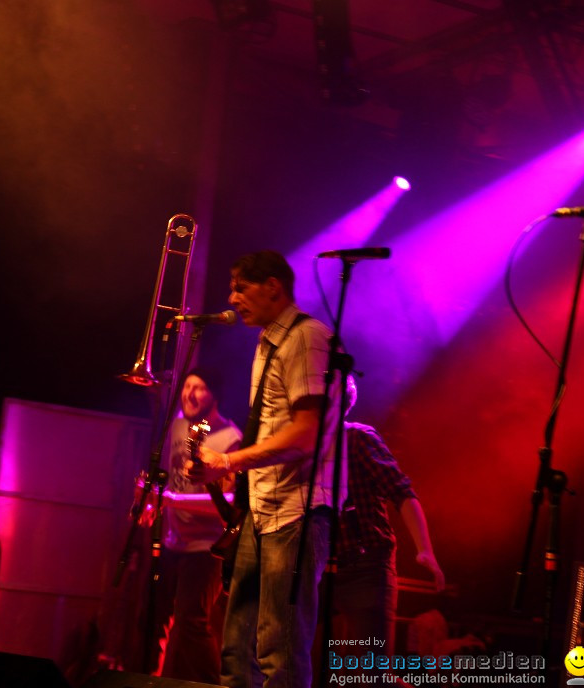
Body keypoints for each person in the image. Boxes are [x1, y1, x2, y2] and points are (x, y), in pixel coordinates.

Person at [188, 249, 344, 688]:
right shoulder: (268, 342)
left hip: (295, 511)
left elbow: (306, 434)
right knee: (237, 649)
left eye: (241, 286)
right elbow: (275, 427)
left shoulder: (307, 338)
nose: (232, 297)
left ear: (273, 286)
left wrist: (229, 460)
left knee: (281, 651)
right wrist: (239, 471)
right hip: (263, 509)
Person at [333, 374, 445, 656]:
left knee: (372, 674)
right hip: (320, 568)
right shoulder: (302, 447)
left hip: (365, 567)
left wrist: (424, 550)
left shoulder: (358, 438)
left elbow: (402, 492)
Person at [149, 369, 242, 683]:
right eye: (187, 386)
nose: (189, 393)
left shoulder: (230, 438)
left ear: (214, 394)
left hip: (206, 549)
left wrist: (170, 500)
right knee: (154, 619)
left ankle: (214, 684)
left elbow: (228, 506)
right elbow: (166, 477)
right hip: (172, 540)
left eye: (199, 387)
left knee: (192, 622)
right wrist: (151, 502)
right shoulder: (176, 427)